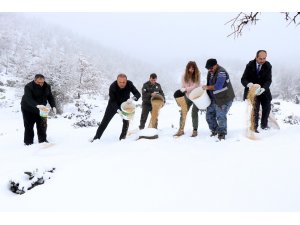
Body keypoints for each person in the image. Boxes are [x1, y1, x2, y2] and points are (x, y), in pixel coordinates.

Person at [92, 73, 141, 141]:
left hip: (125, 105)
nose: (122, 84)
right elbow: (112, 101)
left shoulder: (129, 84)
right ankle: (96, 138)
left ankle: (122, 138)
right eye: (120, 82)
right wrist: (118, 110)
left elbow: (138, 94)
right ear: (117, 81)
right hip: (113, 105)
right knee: (104, 122)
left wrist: (132, 99)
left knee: (126, 121)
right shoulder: (112, 86)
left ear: (126, 81)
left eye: (124, 82)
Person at [202, 58, 235, 140]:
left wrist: (207, 87)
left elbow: (218, 86)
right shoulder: (210, 72)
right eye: (208, 69)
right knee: (209, 115)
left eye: (211, 68)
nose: (210, 70)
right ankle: (215, 130)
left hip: (224, 98)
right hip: (214, 98)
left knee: (220, 115)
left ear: (216, 65)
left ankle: (222, 133)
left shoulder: (221, 72)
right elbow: (209, 83)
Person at [241, 50, 272, 132]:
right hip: (253, 91)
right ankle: (254, 127)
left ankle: (264, 125)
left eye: (264, 58)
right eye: (260, 58)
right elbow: (243, 79)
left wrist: (264, 88)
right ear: (256, 57)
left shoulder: (268, 65)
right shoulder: (250, 65)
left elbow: (268, 80)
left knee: (267, 108)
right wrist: (249, 84)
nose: (262, 61)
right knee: (255, 109)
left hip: (264, 91)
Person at [21, 74, 56, 145]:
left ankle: (43, 140)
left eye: (42, 82)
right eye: (39, 82)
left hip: (42, 108)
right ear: (35, 80)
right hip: (28, 108)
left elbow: (50, 97)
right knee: (29, 125)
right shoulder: (28, 87)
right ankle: (28, 142)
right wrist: (36, 105)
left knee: (42, 124)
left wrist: (53, 106)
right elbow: (28, 99)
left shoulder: (47, 86)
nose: (41, 84)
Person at [174, 61, 200, 137]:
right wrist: (183, 89)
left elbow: (195, 86)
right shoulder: (183, 76)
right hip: (188, 96)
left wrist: (186, 89)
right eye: (190, 68)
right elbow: (183, 86)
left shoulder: (197, 75)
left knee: (194, 113)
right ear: (187, 68)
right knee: (183, 112)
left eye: (193, 68)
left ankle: (195, 130)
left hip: (196, 97)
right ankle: (181, 130)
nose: (191, 70)